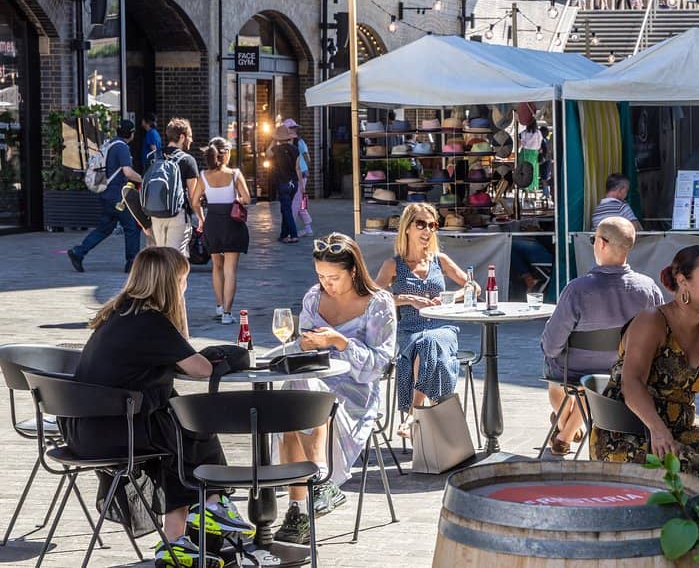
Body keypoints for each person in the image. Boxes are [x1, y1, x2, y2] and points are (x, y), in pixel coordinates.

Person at [61, 247, 252, 567]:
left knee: (173, 425)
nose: (187, 287)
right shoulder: (150, 322)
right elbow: (201, 369)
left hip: (84, 428)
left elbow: (177, 353)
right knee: (192, 420)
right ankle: (213, 505)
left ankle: (178, 539)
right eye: (184, 280)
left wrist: (176, 311)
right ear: (171, 283)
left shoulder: (120, 312)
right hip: (113, 430)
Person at [591, 246, 699, 502]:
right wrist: (658, 429)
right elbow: (632, 382)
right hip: (627, 432)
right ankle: (694, 539)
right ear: (683, 281)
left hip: (678, 431)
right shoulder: (652, 321)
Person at [274, 233, 397, 545]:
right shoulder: (314, 299)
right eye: (320, 276)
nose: (326, 284)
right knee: (295, 395)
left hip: (356, 394)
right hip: (314, 385)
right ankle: (312, 490)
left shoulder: (378, 304)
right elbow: (303, 347)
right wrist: (303, 343)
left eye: (333, 277)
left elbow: (377, 367)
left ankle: (303, 503)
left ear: (353, 271)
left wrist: (341, 341)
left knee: (299, 395)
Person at [540, 217, 662, 456]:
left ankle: (564, 429)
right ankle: (566, 431)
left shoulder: (577, 289)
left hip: (573, 370)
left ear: (602, 244)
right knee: (593, 380)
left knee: (555, 370)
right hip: (628, 370)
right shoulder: (648, 289)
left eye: (593, 239)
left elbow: (552, 346)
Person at [374, 203, 476, 434]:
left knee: (429, 341)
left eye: (432, 225)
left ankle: (413, 414)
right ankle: (432, 423)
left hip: (443, 327)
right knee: (425, 344)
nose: (427, 230)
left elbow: (474, 286)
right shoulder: (393, 265)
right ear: (407, 228)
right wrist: (407, 299)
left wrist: (452, 297)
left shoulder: (439, 260)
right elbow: (373, 299)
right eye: (421, 224)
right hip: (410, 329)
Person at [68, 119, 143, 274]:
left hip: (106, 193)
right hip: (118, 196)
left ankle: (78, 252)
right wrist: (143, 179)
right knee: (132, 227)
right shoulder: (122, 148)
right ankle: (132, 263)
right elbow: (127, 172)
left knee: (104, 228)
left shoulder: (109, 144)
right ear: (131, 134)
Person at [191, 137, 250, 325]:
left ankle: (218, 305)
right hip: (232, 222)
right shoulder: (234, 174)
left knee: (217, 265)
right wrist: (238, 200)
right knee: (230, 268)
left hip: (212, 221)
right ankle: (227, 313)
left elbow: (194, 202)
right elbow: (247, 198)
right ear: (226, 154)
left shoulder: (203, 175)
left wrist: (201, 219)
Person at [147, 118, 199, 255]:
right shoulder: (188, 160)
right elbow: (193, 197)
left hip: (156, 214)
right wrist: (201, 218)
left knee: (161, 257)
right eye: (190, 137)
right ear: (182, 137)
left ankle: (163, 278)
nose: (191, 141)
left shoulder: (153, 157)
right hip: (178, 214)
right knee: (176, 259)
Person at [270, 124, 301, 243]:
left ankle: (293, 234)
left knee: (286, 209)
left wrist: (273, 141)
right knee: (285, 208)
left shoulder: (276, 149)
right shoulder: (295, 149)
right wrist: (301, 185)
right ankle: (283, 234)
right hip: (293, 182)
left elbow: (267, 154)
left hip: (282, 182)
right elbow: (298, 168)